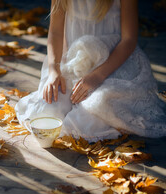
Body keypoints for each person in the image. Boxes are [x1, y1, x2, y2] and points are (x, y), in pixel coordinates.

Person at [15, 0, 166, 142]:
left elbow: (129, 40)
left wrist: (97, 76)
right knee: (48, 113)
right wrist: (54, 71)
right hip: (71, 63)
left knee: (88, 118)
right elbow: (55, 32)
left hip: (112, 65)